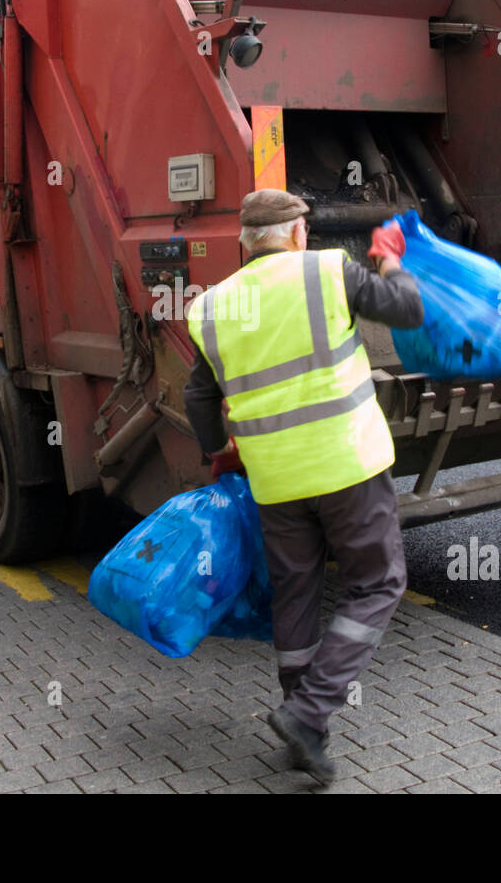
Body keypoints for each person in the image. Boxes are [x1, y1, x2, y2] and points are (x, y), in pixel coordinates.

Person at [184, 188, 424, 786]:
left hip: (274, 480)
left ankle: (305, 735)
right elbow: (408, 308)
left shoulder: (213, 307)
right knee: (378, 583)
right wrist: (389, 256)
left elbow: (198, 396)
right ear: (297, 234)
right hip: (348, 468)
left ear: (244, 244)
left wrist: (218, 449)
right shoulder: (327, 272)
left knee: (296, 597)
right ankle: (309, 709)